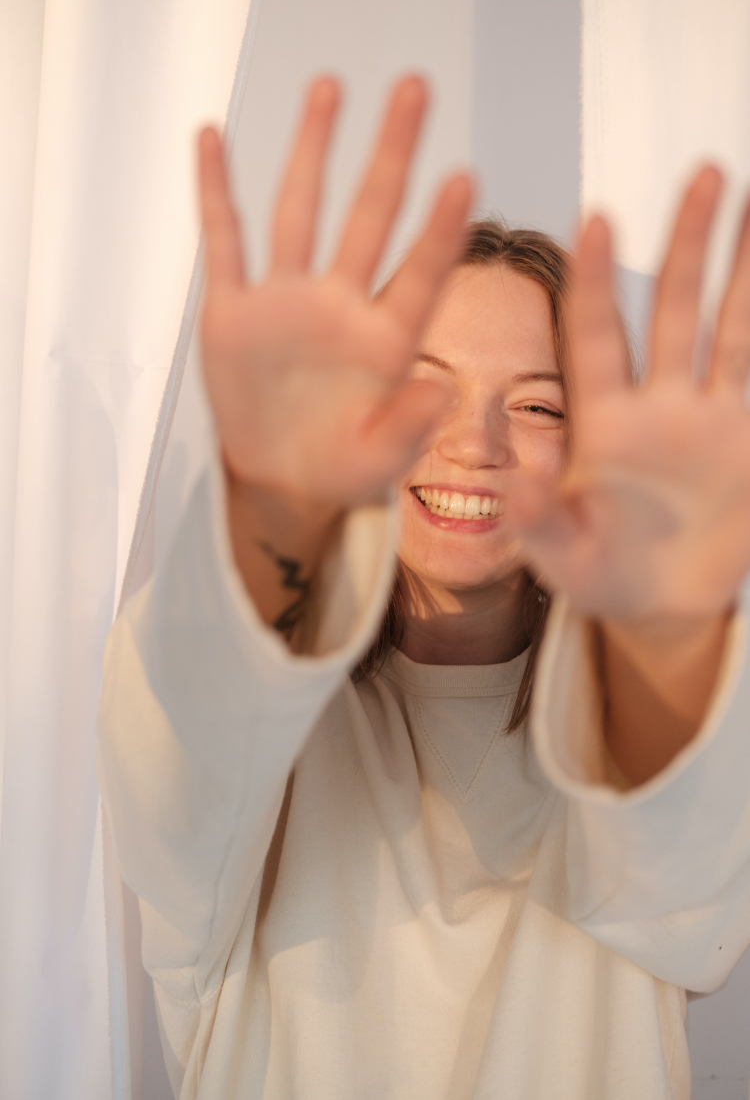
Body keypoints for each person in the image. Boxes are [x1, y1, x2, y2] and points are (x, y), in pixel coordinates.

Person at [98, 75, 750, 1099]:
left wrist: (668, 631)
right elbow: (182, 743)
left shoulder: (622, 738)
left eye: (536, 407)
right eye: (424, 388)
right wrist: (273, 511)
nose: (472, 443)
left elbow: (687, 873)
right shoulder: (254, 747)